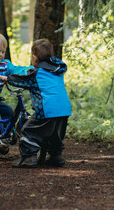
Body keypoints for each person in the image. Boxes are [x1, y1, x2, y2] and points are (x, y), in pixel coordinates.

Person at [8, 39, 72, 168]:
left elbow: (21, 81)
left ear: (34, 57)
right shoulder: (56, 70)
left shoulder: (36, 73)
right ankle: (56, 157)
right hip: (64, 109)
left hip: (47, 108)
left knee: (29, 131)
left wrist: (7, 78)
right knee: (54, 135)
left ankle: (28, 159)